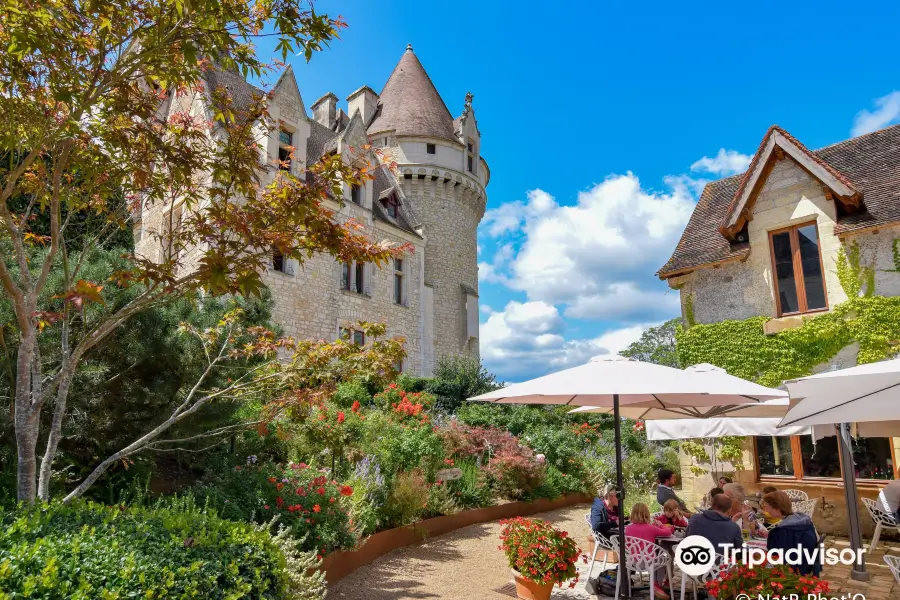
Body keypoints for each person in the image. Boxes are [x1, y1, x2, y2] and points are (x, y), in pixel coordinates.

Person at [762, 491, 821, 576]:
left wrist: (773, 535)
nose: (765, 510)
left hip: (795, 569)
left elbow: (774, 553)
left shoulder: (784, 530)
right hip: (807, 562)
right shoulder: (802, 520)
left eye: (766, 507)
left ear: (777, 508)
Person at [625, 503, 673, 600]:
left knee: (656, 557)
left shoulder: (628, 528)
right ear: (646, 514)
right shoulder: (651, 528)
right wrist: (661, 525)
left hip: (633, 562)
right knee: (662, 558)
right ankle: (657, 583)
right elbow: (668, 532)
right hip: (649, 563)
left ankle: (654, 583)